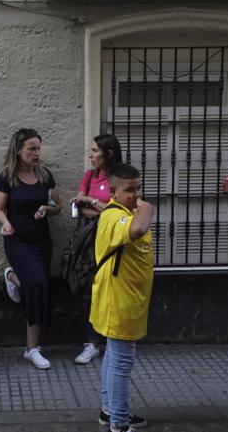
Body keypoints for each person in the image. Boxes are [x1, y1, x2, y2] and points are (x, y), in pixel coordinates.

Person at [90, 163, 153, 432]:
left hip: (127, 298)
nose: (136, 195)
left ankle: (111, 411)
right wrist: (147, 209)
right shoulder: (114, 216)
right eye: (129, 190)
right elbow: (136, 230)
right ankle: (119, 422)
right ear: (113, 191)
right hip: (119, 300)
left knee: (114, 356)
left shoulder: (126, 211)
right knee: (122, 360)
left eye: (138, 188)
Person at [0, 128, 61, 369]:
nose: (36, 153)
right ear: (19, 150)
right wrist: (6, 223)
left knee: (39, 286)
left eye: (38, 148)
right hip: (17, 240)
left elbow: (58, 206)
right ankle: (32, 350)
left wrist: (47, 208)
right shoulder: (7, 177)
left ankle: (31, 348)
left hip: (41, 241)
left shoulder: (45, 176)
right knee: (36, 284)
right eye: (32, 148)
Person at [69, 134, 123, 365]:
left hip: (111, 243)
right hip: (89, 243)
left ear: (109, 154)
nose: (90, 156)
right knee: (88, 291)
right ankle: (92, 343)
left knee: (112, 290)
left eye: (95, 151)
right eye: (90, 151)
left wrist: (90, 202)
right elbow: (77, 207)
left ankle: (113, 340)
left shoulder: (119, 178)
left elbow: (117, 210)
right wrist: (97, 207)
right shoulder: (89, 175)